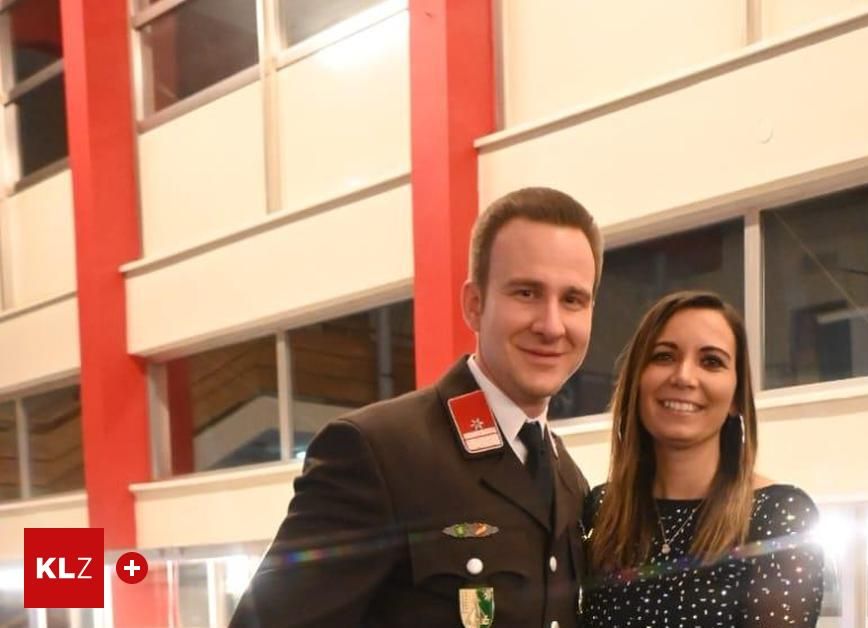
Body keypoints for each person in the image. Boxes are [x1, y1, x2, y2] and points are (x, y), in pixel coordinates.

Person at [230, 187, 603, 627]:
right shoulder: (380, 452)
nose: (551, 325)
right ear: (474, 304)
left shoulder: (567, 478)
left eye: (573, 299)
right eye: (526, 293)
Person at [580, 291, 823, 628]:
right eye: (664, 356)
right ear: (637, 380)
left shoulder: (778, 518)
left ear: (737, 396)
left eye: (711, 361)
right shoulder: (602, 509)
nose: (683, 376)